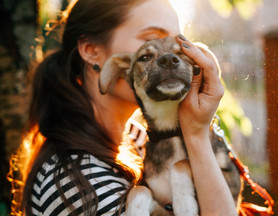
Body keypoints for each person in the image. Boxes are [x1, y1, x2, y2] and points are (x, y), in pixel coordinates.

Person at [11, 0, 237, 215]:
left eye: (178, 46)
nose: (168, 55)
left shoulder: (139, 138)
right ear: (92, 51)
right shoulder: (75, 181)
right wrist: (196, 134)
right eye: (150, 40)